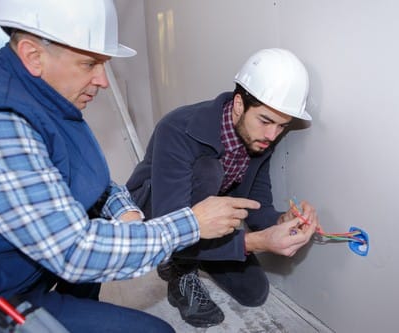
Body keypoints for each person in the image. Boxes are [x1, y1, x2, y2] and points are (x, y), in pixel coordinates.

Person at [0, 0, 260, 332]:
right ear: (33, 55)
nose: (103, 80)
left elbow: (89, 180)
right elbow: (75, 251)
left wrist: (125, 211)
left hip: (25, 271)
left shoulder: (44, 97)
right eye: (90, 63)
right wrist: (192, 224)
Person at [126, 48, 320, 328]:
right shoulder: (179, 128)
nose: (272, 135)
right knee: (208, 170)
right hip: (157, 215)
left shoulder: (261, 139)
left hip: (209, 219)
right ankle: (180, 267)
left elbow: (256, 206)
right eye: (265, 121)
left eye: (282, 126)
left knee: (254, 293)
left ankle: (201, 251)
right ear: (239, 104)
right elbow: (171, 223)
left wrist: (281, 220)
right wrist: (254, 243)